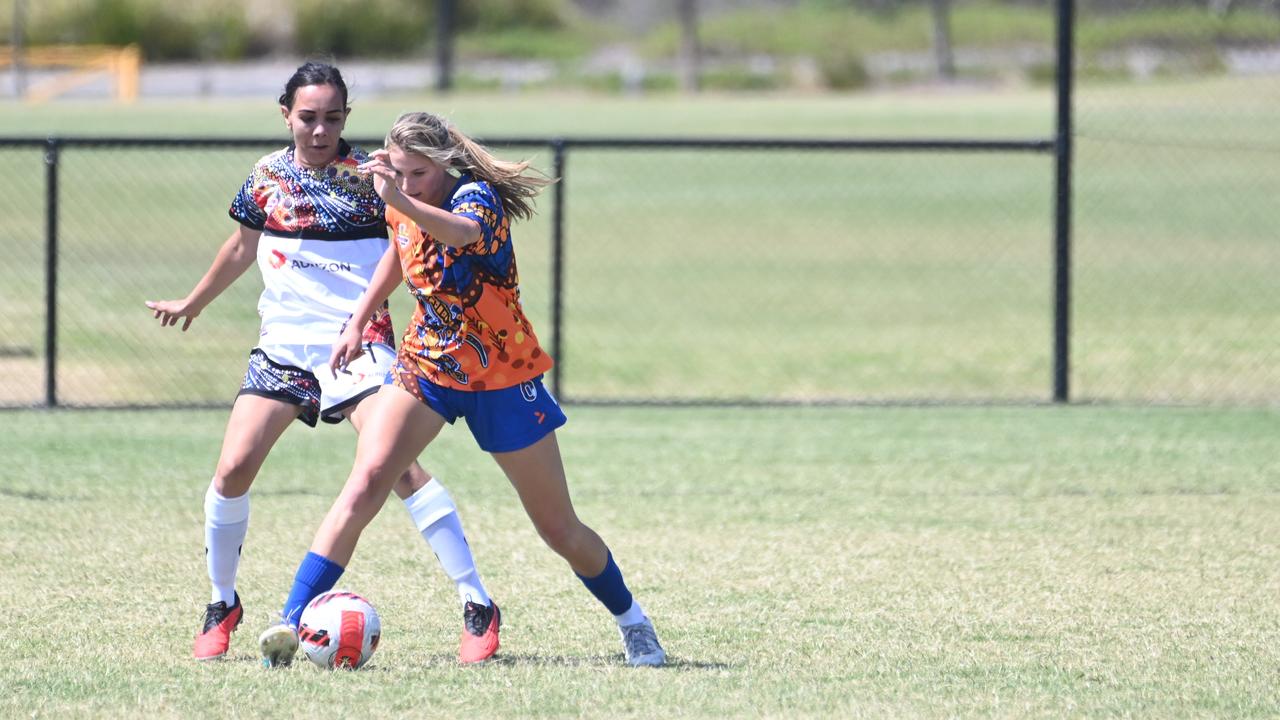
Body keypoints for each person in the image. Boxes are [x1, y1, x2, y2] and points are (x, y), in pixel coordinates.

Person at [257, 111, 666, 668]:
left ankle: (633, 621)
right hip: (427, 367)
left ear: (444, 165)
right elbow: (401, 255)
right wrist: (359, 319)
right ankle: (289, 619)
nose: (405, 184)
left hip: (501, 376)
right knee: (367, 481)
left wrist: (396, 199)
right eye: (398, 173)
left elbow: (458, 233)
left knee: (558, 528)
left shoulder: (476, 200)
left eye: (417, 174)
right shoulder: (402, 195)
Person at [145, 63, 501, 665]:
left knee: (399, 469)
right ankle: (221, 602)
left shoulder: (372, 179)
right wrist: (194, 302)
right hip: (283, 349)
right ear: (286, 113)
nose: (319, 130)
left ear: (345, 120)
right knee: (232, 469)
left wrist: (377, 317)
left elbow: (413, 242)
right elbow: (241, 247)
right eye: (308, 118)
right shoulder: (265, 177)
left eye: (332, 119)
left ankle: (477, 603)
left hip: (360, 346)